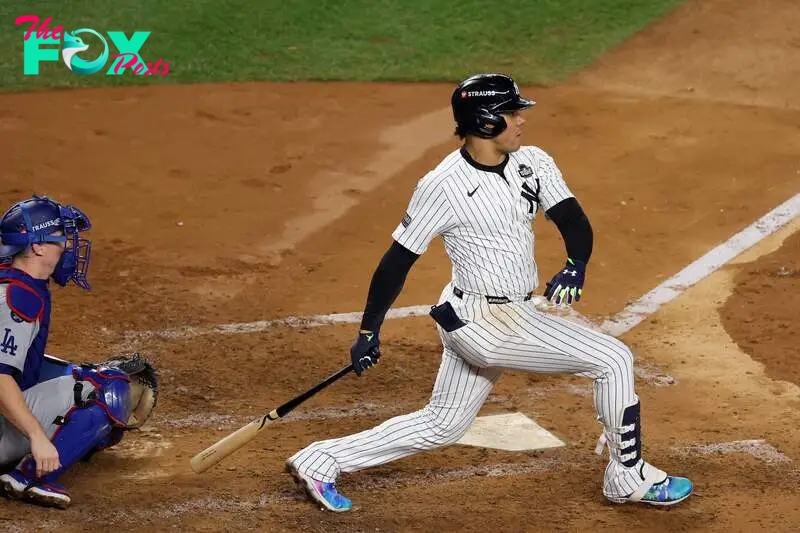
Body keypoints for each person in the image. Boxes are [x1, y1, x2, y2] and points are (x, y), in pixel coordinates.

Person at [285, 73, 693, 512]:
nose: (521, 120)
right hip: (484, 324)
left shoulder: (532, 162)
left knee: (444, 423)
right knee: (613, 359)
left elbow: (572, 220)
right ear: (484, 121)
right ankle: (627, 477)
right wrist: (368, 331)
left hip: (498, 312)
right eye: (511, 113)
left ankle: (320, 459)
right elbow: (396, 262)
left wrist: (576, 265)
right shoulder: (442, 185)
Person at [0, 195, 158, 509]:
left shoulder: (14, 279)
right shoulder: (18, 299)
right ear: (38, 246)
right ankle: (26, 477)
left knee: (76, 375)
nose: (68, 248)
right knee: (106, 388)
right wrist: (37, 437)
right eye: (61, 240)